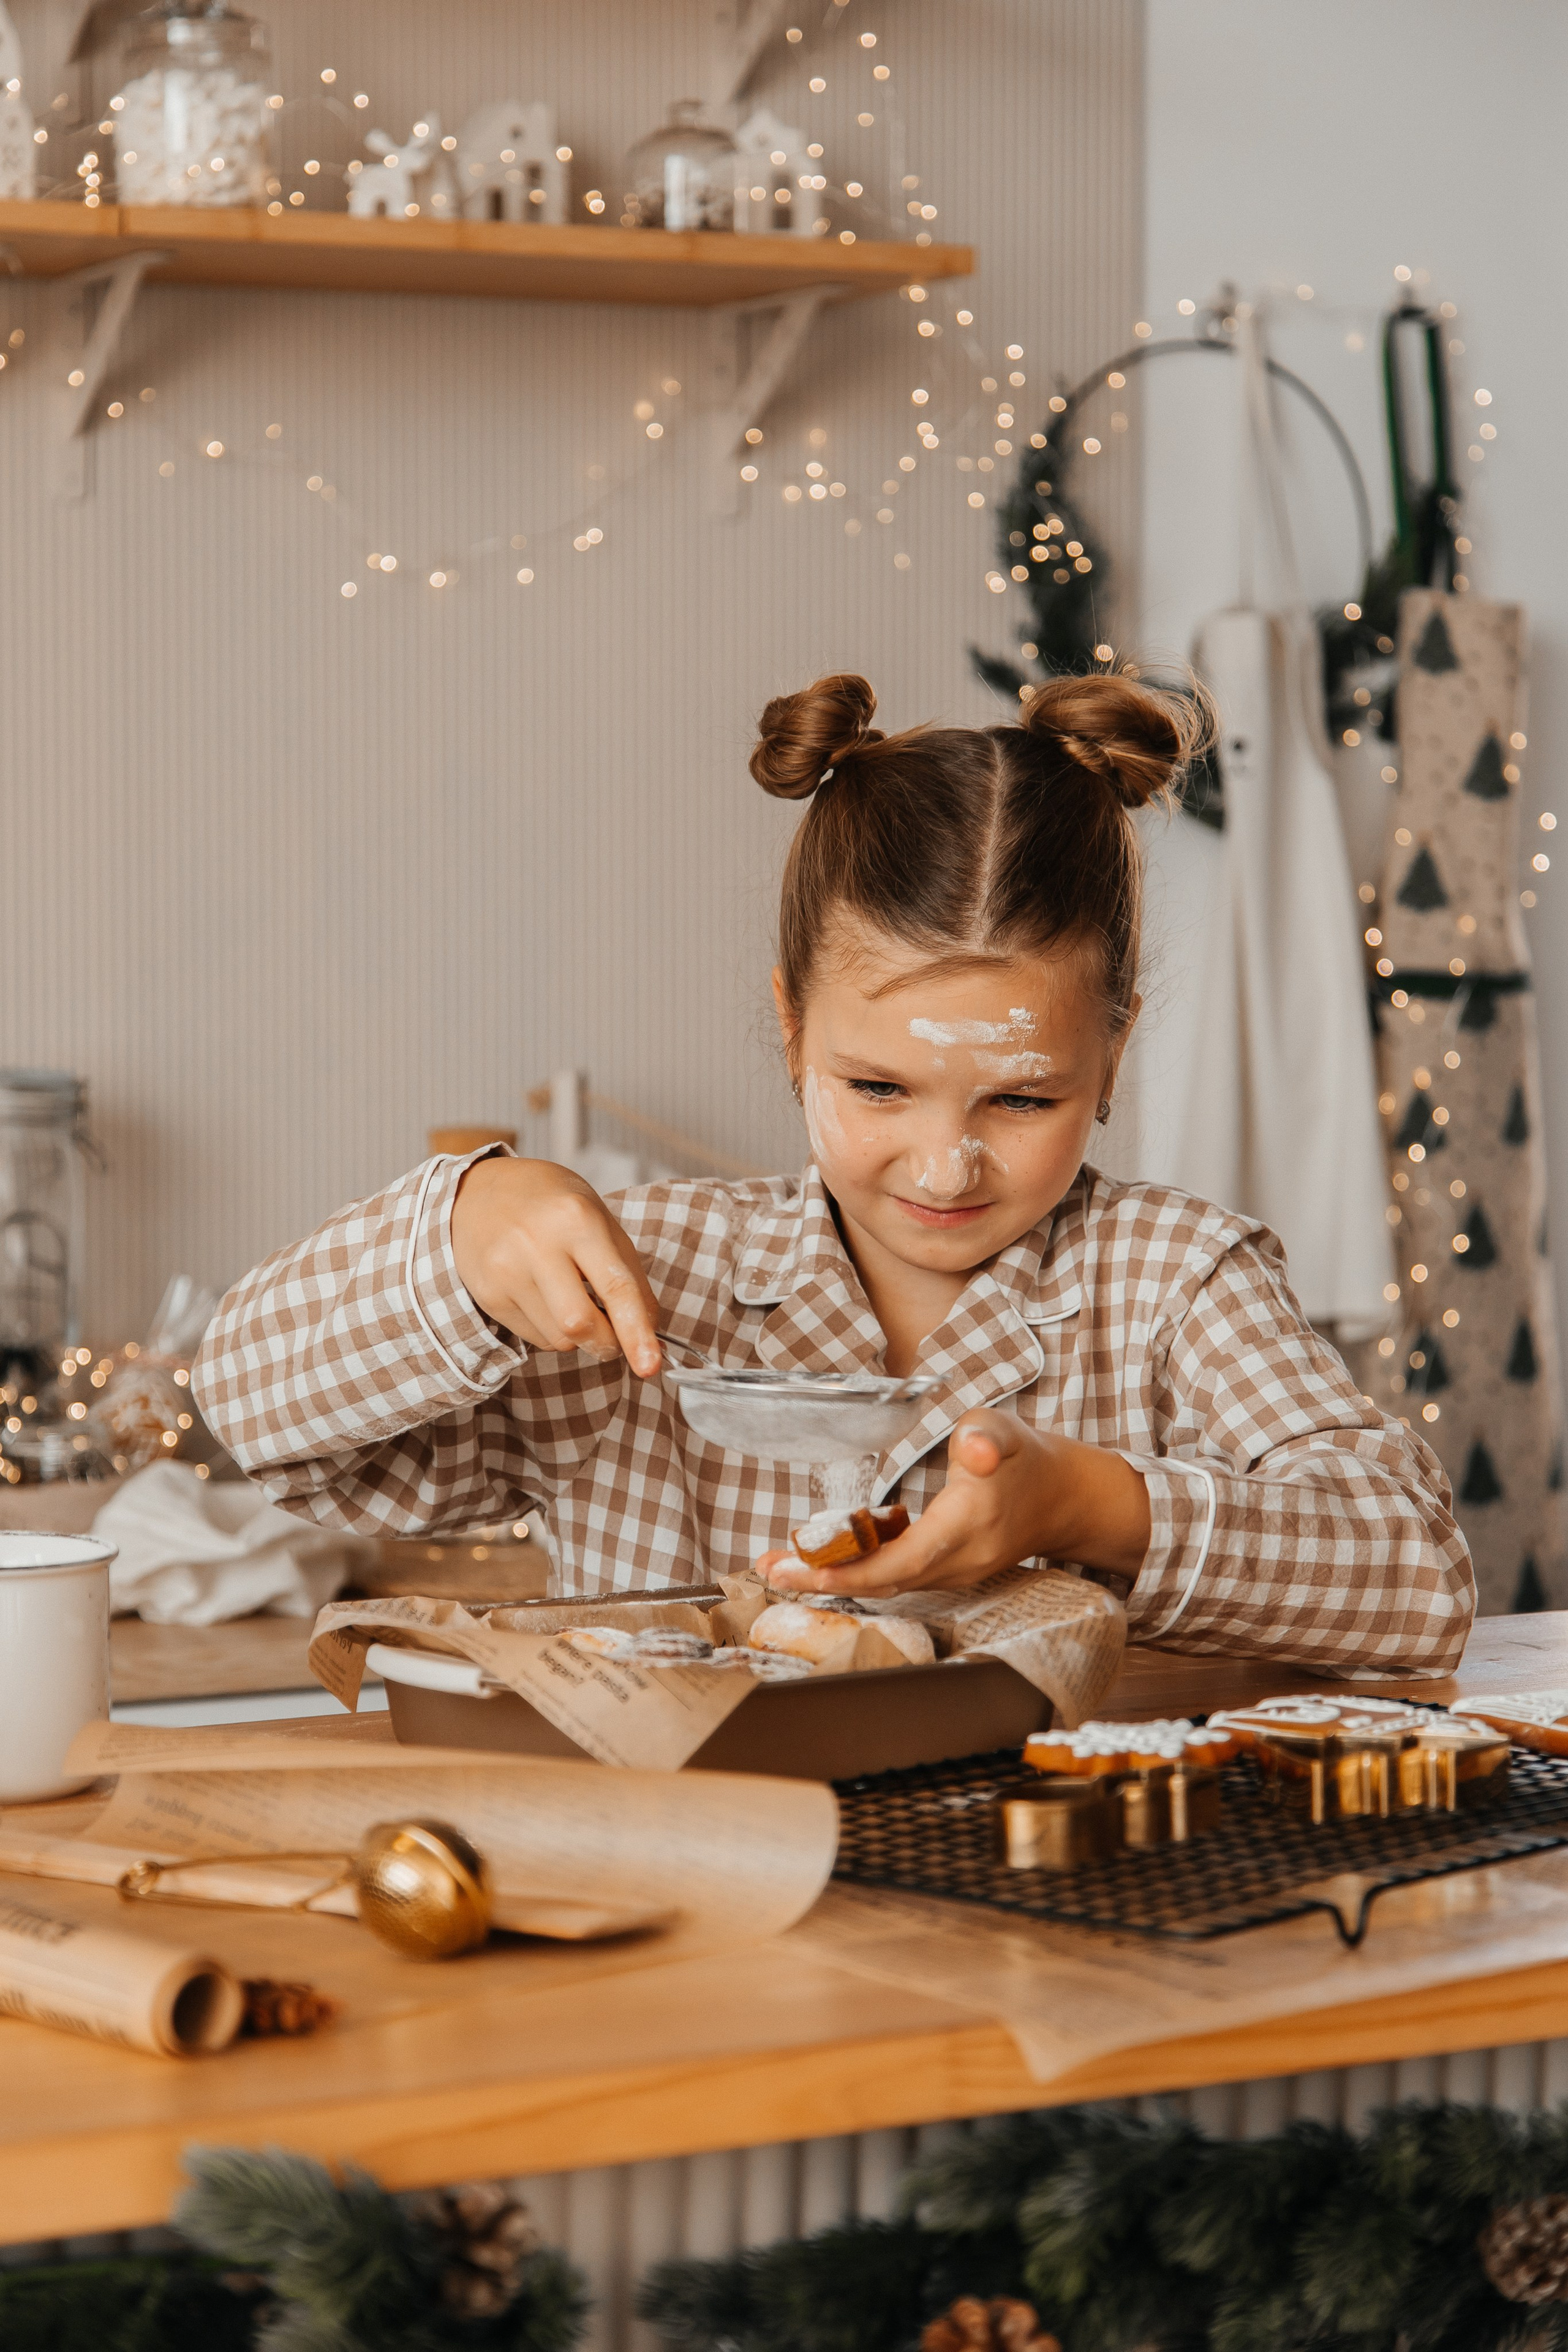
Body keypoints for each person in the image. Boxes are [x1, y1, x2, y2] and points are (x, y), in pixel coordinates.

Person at [195, 671, 1474, 1672]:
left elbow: (1416, 1581)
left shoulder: (1175, 1283)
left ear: (1114, 1047)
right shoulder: (645, 1279)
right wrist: (457, 1234)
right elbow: (257, 1421)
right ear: (792, 1027)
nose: (945, 1162)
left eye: (1022, 1097)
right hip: (692, 1898)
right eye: (877, 1089)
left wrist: (1084, 1505)